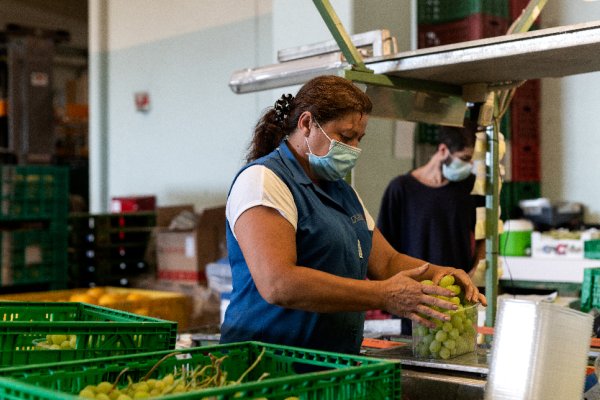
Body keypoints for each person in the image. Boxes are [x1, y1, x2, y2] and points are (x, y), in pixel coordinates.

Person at [220, 75, 486, 355]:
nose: (354, 148)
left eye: (359, 138)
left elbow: (387, 261)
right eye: (345, 137)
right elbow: (279, 283)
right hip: (266, 367)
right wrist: (383, 295)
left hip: (329, 366)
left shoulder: (343, 193)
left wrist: (440, 273)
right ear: (307, 124)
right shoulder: (264, 181)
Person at [377, 122, 485, 334]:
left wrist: (475, 270)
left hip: (456, 299)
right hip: (413, 299)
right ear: (443, 150)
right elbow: (385, 251)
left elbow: (485, 234)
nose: (468, 165)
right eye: (463, 159)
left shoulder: (470, 187)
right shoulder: (400, 189)